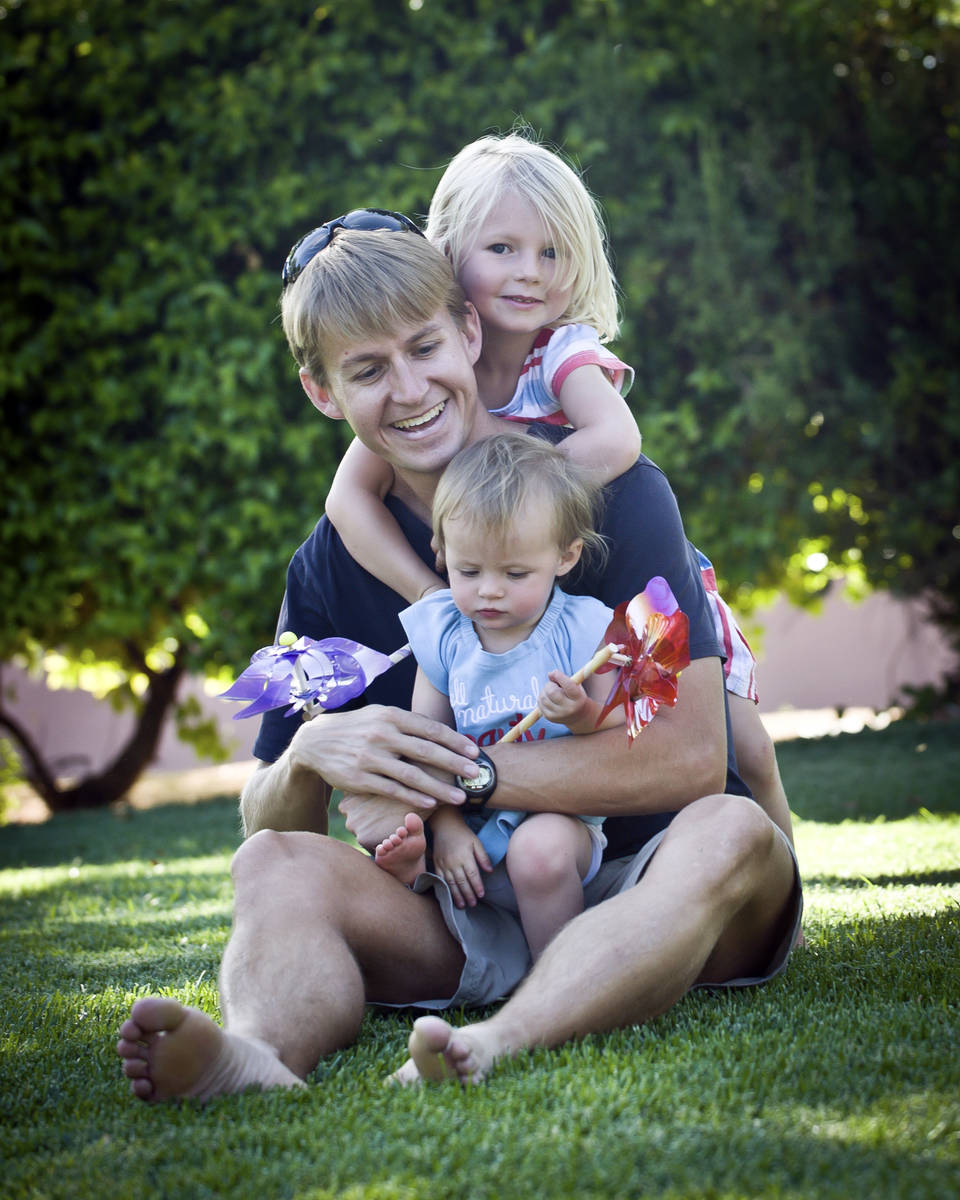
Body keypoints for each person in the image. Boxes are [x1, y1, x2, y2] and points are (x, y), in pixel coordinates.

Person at [116, 225, 802, 1102]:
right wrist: (306, 756)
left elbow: (695, 758)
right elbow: (265, 814)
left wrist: (471, 777)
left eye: (424, 348)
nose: (408, 391)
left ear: (469, 337)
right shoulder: (325, 566)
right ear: (322, 393)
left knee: (732, 829)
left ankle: (504, 1037)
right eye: (367, 371)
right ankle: (256, 1054)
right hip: (469, 906)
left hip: (659, 886)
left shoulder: (617, 499)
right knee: (272, 867)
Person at [321, 131, 796, 857]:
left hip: (658, 580)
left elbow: (616, 441)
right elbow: (346, 501)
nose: (530, 273)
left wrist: (521, 489)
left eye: (552, 253)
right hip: (513, 590)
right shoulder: (433, 376)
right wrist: (427, 592)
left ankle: (786, 878)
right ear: (449, 253)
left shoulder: (564, 352)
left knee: (746, 746)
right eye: (502, 249)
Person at [375, 434, 624, 960]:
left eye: (515, 574)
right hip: (466, 828)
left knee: (538, 852)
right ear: (441, 552)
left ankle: (560, 984)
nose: (489, 590)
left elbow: (616, 717)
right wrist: (443, 829)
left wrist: (579, 714)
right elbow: (430, 745)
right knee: (395, 823)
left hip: (557, 820)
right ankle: (416, 872)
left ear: (565, 556)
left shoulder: (580, 629)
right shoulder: (446, 634)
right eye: (469, 571)